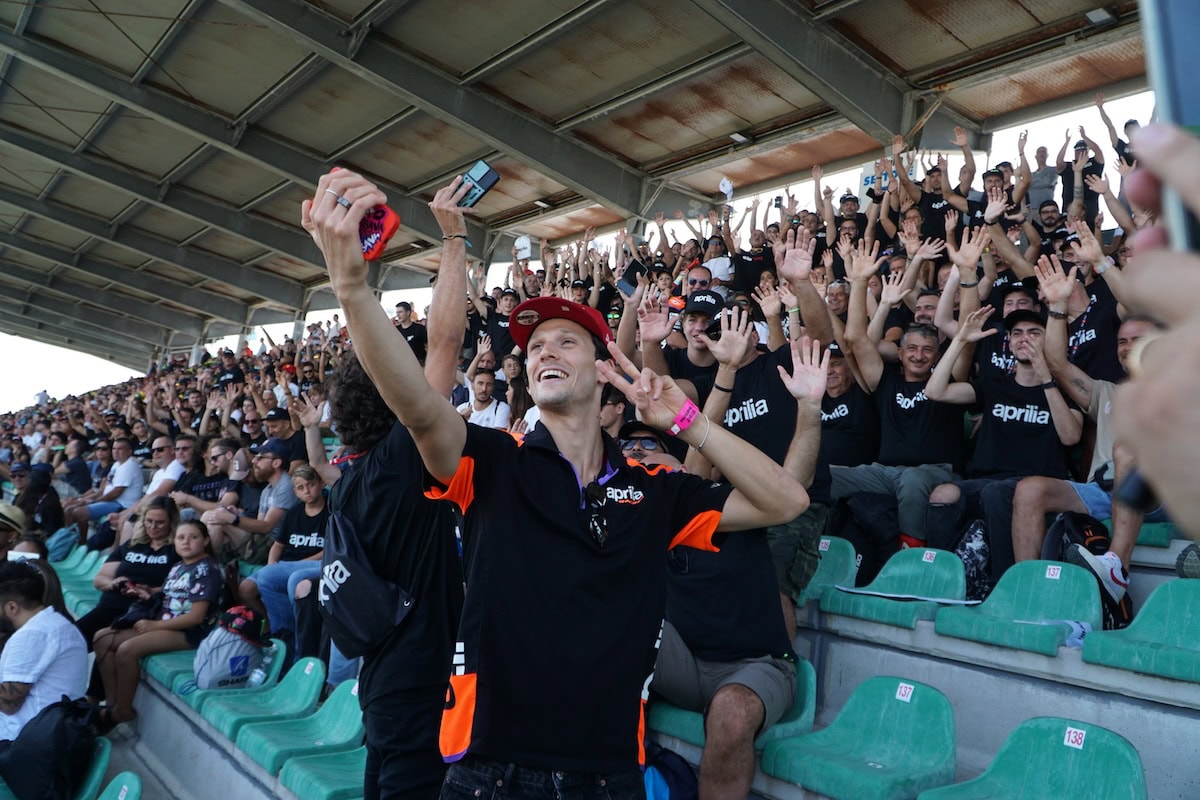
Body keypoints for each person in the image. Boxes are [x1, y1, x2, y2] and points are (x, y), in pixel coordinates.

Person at [312, 168, 810, 796]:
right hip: (489, 772)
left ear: (604, 370)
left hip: (608, 777)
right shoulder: (492, 462)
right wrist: (352, 288)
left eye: (566, 342)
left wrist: (685, 421)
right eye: (536, 343)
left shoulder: (654, 488)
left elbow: (787, 500)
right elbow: (417, 403)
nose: (544, 351)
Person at [923, 306, 1082, 579]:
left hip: (1038, 484)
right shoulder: (995, 386)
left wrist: (1046, 379)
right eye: (1017, 333)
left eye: (1034, 333)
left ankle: (1004, 583)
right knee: (942, 494)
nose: (1024, 338)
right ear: (1007, 342)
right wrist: (960, 339)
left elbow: (1070, 436)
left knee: (996, 494)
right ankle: (943, 579)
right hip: (989, 480)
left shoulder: (1064, 390)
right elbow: (934, 391)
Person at [93, 520, 221, 729]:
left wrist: (154, 626)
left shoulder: (206, 570)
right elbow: (167, 593)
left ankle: (123, 709)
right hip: (164, 624)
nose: (186, 542)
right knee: (101, 639)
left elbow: (196, 617)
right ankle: (112, 703)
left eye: (193, 537)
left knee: (126, 650)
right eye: (181, 537)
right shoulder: (179, 566)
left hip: (188, 631)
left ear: (206, 541)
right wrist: (148, 592)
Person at [238, 464, 327, 644]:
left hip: (311, 565)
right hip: (285, 565)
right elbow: (278, 546)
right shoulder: (294, 512)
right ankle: (271, 626)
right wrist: (272, 567)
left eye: (310, 484)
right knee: (246, 589)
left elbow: (330, 549)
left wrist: (291, 566)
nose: (307, 491)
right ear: (295, 492)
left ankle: (285, 634)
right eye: (301, 488)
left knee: (286, 580)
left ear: (321, 483)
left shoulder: (331, 510)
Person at [0, 559, 87, 741]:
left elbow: (9, 704)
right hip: (40, 737)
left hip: (20, 744)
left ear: (12, 607)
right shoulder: (54, 624)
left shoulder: (33, 634)